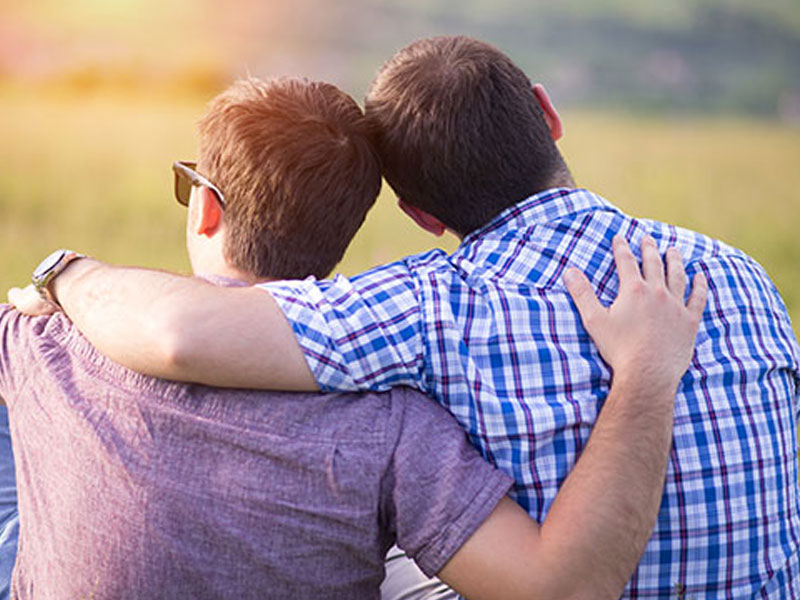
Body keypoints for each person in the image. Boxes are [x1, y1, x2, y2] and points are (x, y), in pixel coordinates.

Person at [16, 37, 792, 600]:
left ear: (419, 216)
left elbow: (183, 335)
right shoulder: (739, 272)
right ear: (547, 116)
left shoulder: (427, 305)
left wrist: (66, 273)